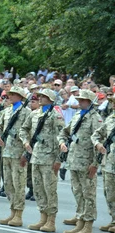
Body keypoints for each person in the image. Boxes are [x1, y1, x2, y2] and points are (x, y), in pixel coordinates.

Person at [20, 89, 65, 232]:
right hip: (36, 156)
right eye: (39, 96)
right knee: (38, 189)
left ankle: (51, 221)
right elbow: (23, 129)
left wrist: (58, 160)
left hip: (49, 159)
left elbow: (61, 137)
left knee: (50, 190)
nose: (40, 98)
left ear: (51, 99)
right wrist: (25, 142)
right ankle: (42, 218)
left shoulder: (55, 116)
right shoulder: (34, 114)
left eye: (43, 97)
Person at [58, 89, 102, 233]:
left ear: (90, 102)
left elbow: (99, 141)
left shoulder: (95, 118)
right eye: (79, 99)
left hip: (87, 162)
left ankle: (88, 223)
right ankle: (80, 219)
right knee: (77, 191)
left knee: (88, 193)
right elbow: (64, 132)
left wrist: (95, 164)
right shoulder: (78, 115)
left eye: (82, 100)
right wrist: (62, 142)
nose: (80, 102)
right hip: (74, 159)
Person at [0, 86, 31, 227]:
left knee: (19, 185)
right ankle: (12, 211)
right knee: (8, 185)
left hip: (18, 153)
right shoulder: (7, 111)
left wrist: (26, 154)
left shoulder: (27, 112)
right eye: (10, 94)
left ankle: (18, 214)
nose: (10, 96)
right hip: (6, 152)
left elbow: (29, 133)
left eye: (14, 94)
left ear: (21, 97)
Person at [91, 95, 115, 232]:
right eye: (112, 102)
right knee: (109, 193)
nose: (113, 105)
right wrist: (98, 144)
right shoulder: (110, 119)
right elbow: (96, 134)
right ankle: (113, 220)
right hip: (109, 162)